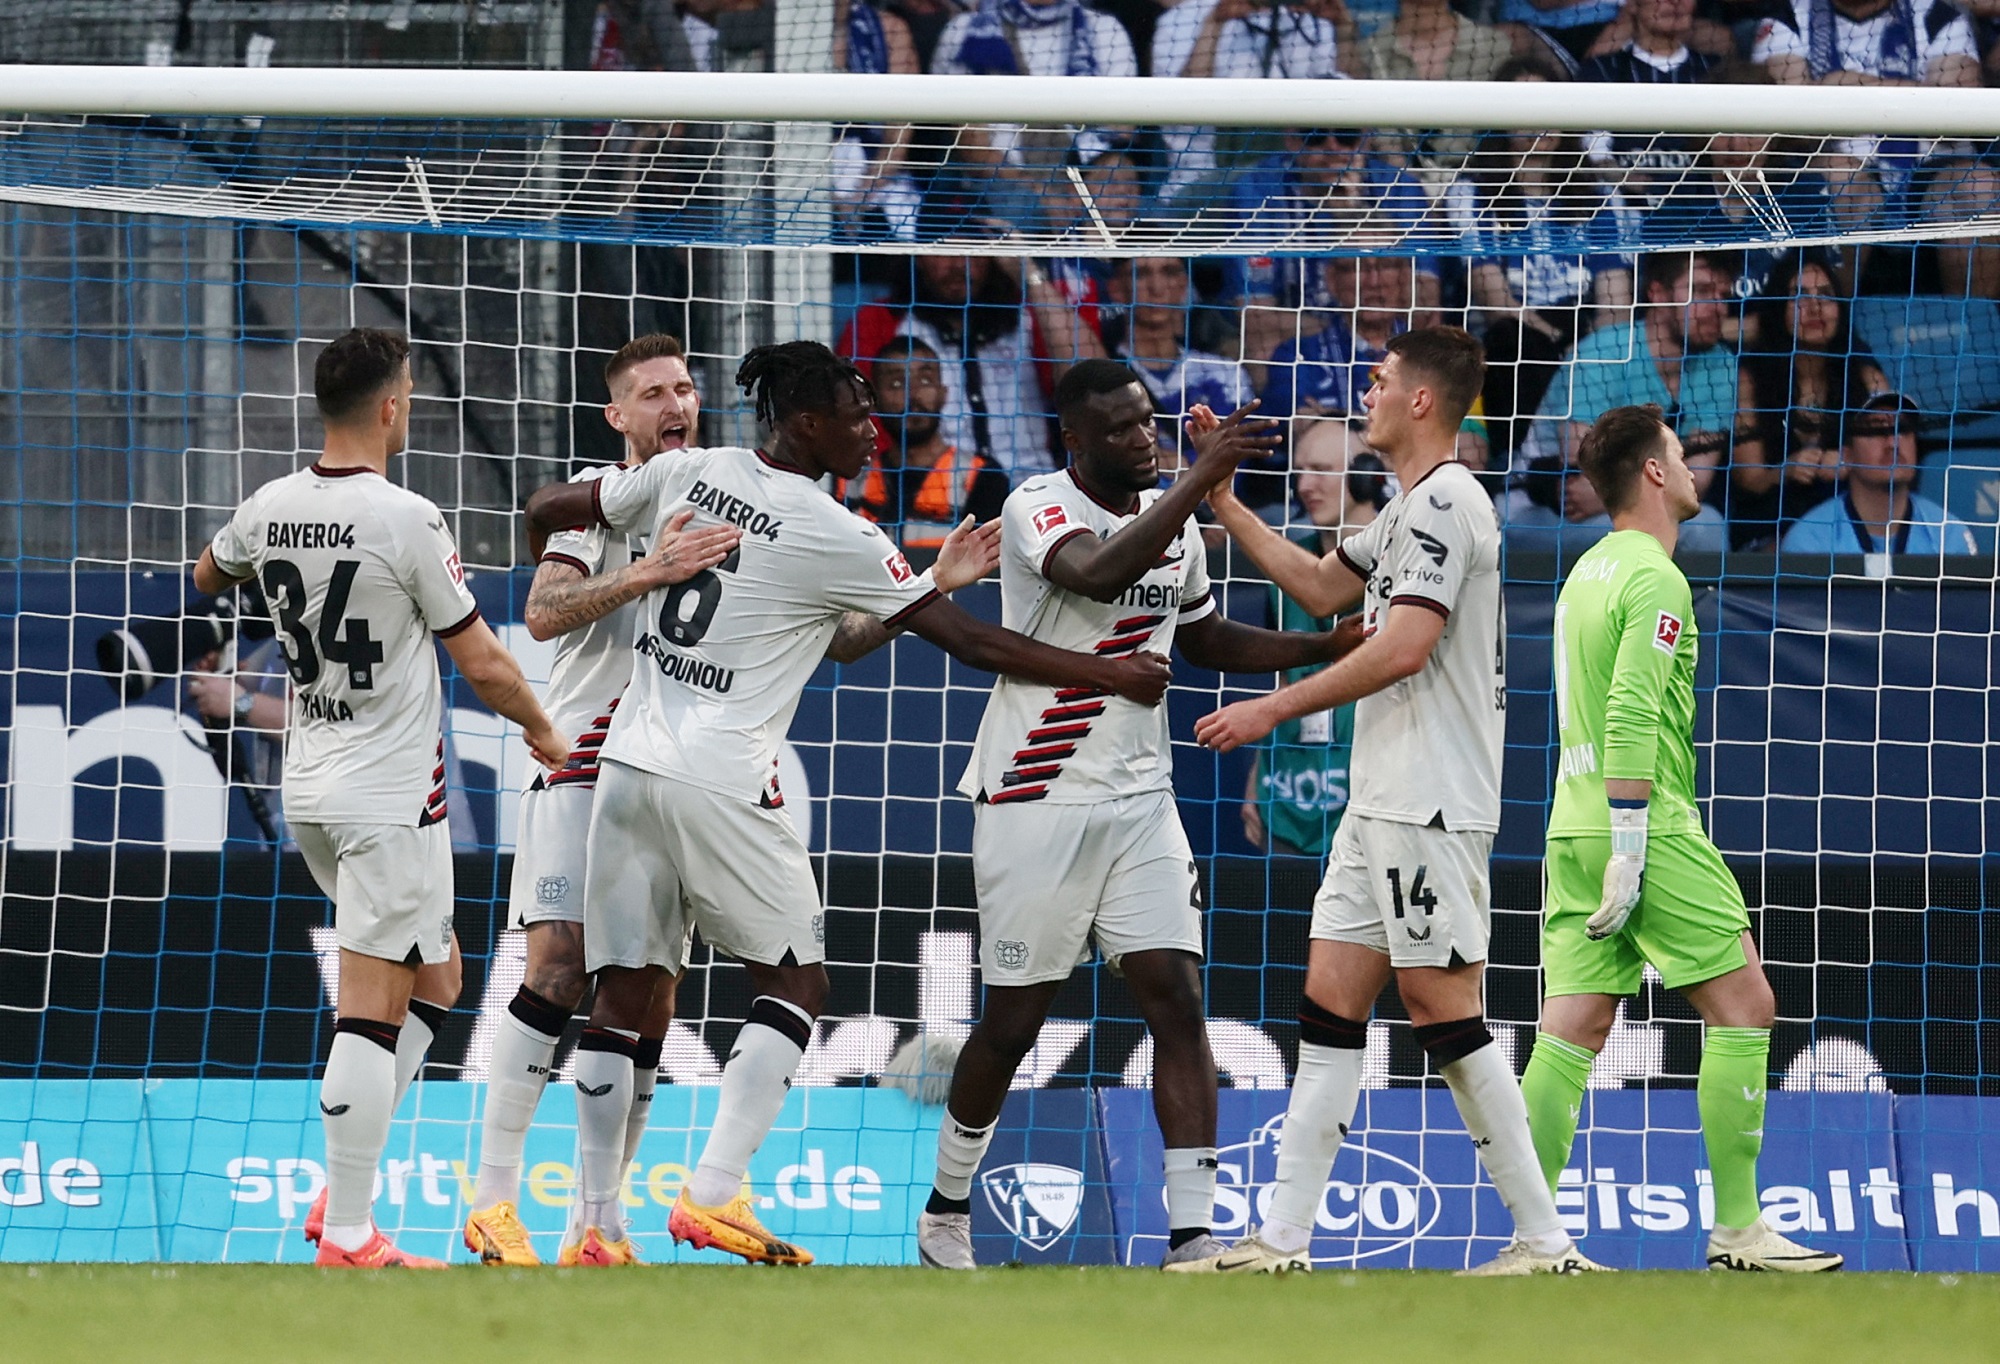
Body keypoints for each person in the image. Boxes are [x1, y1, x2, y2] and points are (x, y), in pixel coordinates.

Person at [521, 341, 1172, 1267]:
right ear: (804, 423)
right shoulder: (840, 531)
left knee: (623, 991)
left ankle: (596, 1226)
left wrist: (648, 551)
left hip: (627, 767)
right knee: (796, 983)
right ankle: (710, 1196)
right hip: (724, 778)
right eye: (855, 416)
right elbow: (975, 650)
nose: (873, 430)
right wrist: (1105, 672)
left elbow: (553, 507)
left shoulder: (689, 471)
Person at [914, 360, 1360, 1272]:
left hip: (1139, 801)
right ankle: (946, 1213)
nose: (1143, 440)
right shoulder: (1040, 505)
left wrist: (1318, 644)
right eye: (1120, 430)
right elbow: (1096, 572)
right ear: (1074, 441)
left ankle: (1192, 1234)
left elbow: (1200, 637)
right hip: (1036, 795)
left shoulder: (1178, 526)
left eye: (1147, 423)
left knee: (1177, 995)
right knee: (1014, 1022)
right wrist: (1200, 478)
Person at [1192, 328, 1601, 1275]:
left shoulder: (1450, 502)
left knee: (1443, 1009)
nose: (1365, 392)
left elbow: (1404, 644)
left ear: (1421, 401)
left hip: (1430, 799)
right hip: (1379, 800)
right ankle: (1283, 1240)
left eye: (1378, 381)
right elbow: (1321, 586)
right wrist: (1221, 501)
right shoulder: (1410, 508)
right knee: (1330, 1005)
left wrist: (1273, 709)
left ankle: (1544, 1240)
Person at [192, 328, 570, 1268]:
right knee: (370, 1007)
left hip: (313, 784)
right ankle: (351, 1233)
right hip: (388, 795)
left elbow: (209, 573)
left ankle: (341, 1189)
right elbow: (481, 660)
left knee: (436, 980)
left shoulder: (270, 503)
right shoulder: (409, 517)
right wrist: (543, 727)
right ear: (395, 405)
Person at [1520, 403, 1844, 1272]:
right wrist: (1633, 838)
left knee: (1572, 1028)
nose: (1696, 464)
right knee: (1747, 1007)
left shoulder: (1585, 570)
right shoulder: (1657, 576)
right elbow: (1629, 708)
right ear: (1654, 474)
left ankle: (1533, 1237)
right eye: (1681, 452)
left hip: (1570, 819)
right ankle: (1739, 1230)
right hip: (1643, 821)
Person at [1241, 419, 1382, 859]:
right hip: (1287, 798)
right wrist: (1255, 780)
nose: (1305, 485)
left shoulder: (1403, 560)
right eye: (1300, 471)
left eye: (1321, 469)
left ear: (1366, 475)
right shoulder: (1286, 565)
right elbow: (1284, 680)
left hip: (1372, 800)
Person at [838, 254, 1103, 483]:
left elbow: (1095, 385)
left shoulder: (1028, 315)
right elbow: (856, 418)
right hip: (939, 494)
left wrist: (1029, 273)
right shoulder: (880, 321)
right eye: (944, 251)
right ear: (919, 256)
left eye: (972, 251)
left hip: (1033, 490)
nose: (958, 265)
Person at [1522, 251, 1737, 512]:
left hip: (1612, 499)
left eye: (1723, 295)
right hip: (1547, 499)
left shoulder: (1721, 363)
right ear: (1657, 293)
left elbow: (1697, 480)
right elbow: (1580, 458)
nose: (1719, 307)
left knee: (1707, 526)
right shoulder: (1602, 352)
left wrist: (1615, 498)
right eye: (1701, 291)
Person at [1730, 256, 1887, 547]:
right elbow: (1749, 478)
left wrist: (1850, 461)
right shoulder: (1751, 377)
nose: (1814, 307)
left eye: (1826, 295)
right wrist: (1784, 470)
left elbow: (1891, 453)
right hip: (1770, 523)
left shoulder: (1866, 376)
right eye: (1799, 297)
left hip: (1848, 526)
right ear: (1779, 309)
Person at [1150, 0, 1351, 204]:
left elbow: (1354, 107)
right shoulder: (1180, 19)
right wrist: (1214, 23)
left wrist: (1343, 29)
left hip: (1306, 186)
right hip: (1204, 183)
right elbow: (1183, 109)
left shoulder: (1318, 13)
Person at [848, 335, 1013, 548]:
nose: (912, 394)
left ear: (943, 394)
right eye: (896, 383)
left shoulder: (982, 476)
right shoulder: (851, 475)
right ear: (874, 400)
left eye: (925, 380)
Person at [1781, 391, 1981, 557]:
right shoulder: (1810, 540)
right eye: (1877, 430)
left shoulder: (1948, 534)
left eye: (1902, 429)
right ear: (1847, 455)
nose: (1893, 443)